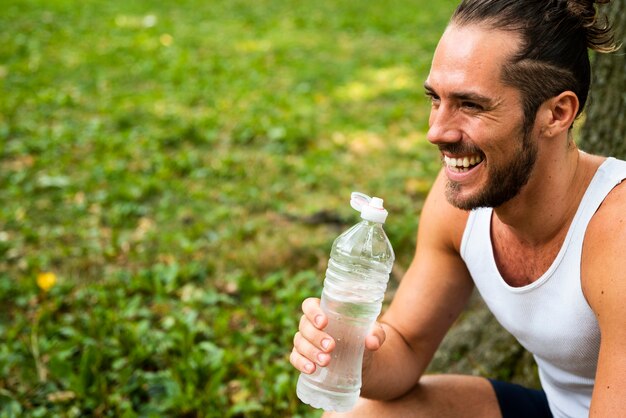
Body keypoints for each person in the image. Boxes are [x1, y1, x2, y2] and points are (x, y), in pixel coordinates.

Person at [289, 0, 625, 417]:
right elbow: (406, 347)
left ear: (557, 113)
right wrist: (349, 351)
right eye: (436, 99)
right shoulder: (463, 200)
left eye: (470, 105)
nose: (436, 131)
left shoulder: (617, 235)